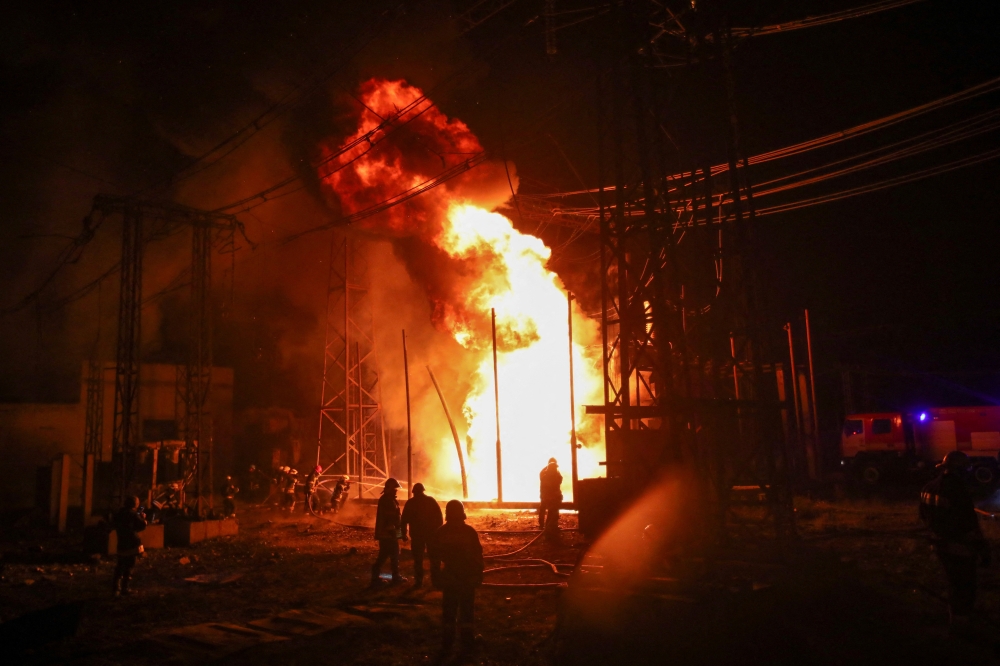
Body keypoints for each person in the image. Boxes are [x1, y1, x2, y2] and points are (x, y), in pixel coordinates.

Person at [919, 450, 991, 627]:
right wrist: (982, 549)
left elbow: (923, 516)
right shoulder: (958, 490)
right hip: (959, 546)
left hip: (938, 544)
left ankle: (955, 615)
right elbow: (969, 524)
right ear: (961, 470)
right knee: (964, 584)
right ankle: (961, 622)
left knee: (952, 580)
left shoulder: (928, 487)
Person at [429, 500, 484, 656]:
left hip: (450, 578)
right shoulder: (469, 532)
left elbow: (434, 558)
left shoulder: (441, 532)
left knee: (449, 609)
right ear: (462, 513)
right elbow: (477, 556)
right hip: (467, 578)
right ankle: (467, 641)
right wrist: (478, 574)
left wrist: (436, 577)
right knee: (467, 610)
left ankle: (447, 641)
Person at [401, 482, 444, 588]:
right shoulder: (431, 501)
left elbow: (403, 521)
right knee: (434, 558)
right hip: (431, 535)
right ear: (423, 491)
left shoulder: (410, 503)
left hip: (417, 536)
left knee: (418, 560)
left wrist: (402, 534)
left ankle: (419, 582)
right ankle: (436, 581)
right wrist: (438, 533)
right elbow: (440, 518)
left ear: (414, 492)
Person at [371, 478, 406, 586]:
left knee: (386, 555)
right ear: (389, 488)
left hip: (389, 534)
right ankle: (394, 577)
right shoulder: (387, 501)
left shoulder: (389, 500)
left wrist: (400, 535)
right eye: (394, 489)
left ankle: (376, 577)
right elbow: (392, 520)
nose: (396, 491)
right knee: (392, 555)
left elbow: (396, 519)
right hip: (388, 534)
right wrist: (398, 534)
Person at [112, 496, 147, 597]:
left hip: (122, 543)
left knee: (120, 566)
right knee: (129, 566)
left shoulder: (118, 514)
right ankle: (125, 588)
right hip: (132, 543)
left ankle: (116, 588)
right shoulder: (133, 514)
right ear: (134, 504)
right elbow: (141, 526)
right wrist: (143, 519)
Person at [539, 457, 564, 534]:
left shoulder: (544, 473)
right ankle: (549, 527)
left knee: (544, 510)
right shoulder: (555, 475)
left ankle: (544, 526)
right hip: (551, 497)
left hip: (545, 496)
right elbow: (559, 481)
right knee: (553, 512)